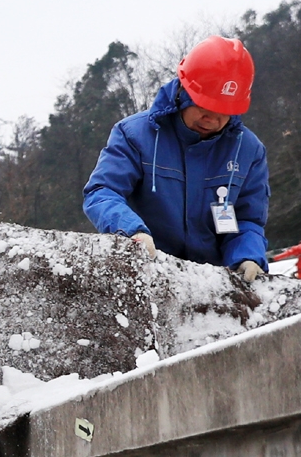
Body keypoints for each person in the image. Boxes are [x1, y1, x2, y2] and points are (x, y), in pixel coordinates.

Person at [83, 37, 269, 282]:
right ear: (184, 91)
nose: (212, 119)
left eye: (224, 112)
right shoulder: (134, 135)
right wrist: (131, 231)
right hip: (149, 273)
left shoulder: (248, 150)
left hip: (214, 282)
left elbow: (248, 219)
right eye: (204, 107)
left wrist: (248, 255)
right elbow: (101, 191)